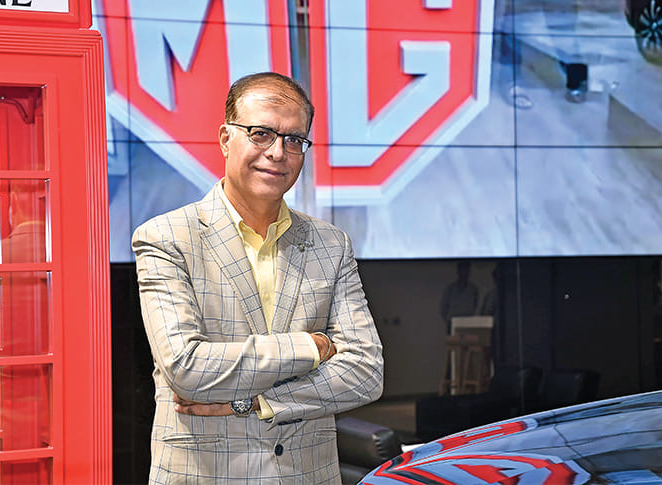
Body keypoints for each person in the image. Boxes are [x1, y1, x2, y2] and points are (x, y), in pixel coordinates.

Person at [131, 72, 384, 484]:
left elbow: (366, 373)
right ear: (225, 138)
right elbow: (186, 367)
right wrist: (313, 346)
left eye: (294, 139)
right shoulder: (166, 237)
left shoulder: (330, 244)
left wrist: (254, 403)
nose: (278, 152)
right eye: (261, 134)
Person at [439, 261, 478, 334]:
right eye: (462, 270)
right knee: (453, 341)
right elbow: (443, 307)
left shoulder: (473, 289)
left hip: (468, 323)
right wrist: (449, 320)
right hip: (453, 322)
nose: (464, 273)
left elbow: (475, 305)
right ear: (458, 271)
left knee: (468, 341)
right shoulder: (450, 288)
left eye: (466, 270)